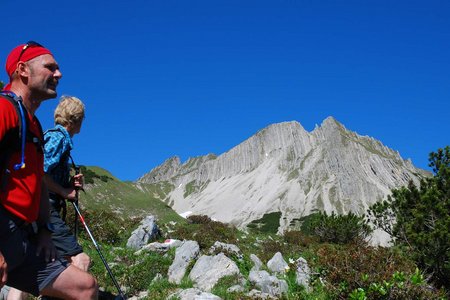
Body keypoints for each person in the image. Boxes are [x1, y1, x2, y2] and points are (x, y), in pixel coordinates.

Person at [0, 42, 98, 299]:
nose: (59, 74)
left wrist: (44, 230)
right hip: (4, 230)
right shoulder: (4, 110)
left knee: (86, 288)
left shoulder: (33, 126)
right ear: (23, 70)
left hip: (25, 235)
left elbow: (38, 182)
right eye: (50, 67)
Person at [6, 96, 91, 300]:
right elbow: (40, 171)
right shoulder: (59, 138)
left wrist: (68, 185)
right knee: (80, 260)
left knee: (34, 268)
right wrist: (63, 192)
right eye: (82, 118)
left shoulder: (55, 138)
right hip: (46, 209)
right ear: (75, 120)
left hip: (38, 209)